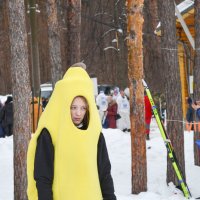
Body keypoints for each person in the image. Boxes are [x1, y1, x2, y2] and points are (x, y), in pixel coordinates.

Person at [27, 63, 116, 200]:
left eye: (83, 108)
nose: (78, 113)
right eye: (73, 107)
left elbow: (104, 173)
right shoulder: (50, 133)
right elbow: (43, 177)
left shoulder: (94, 133)